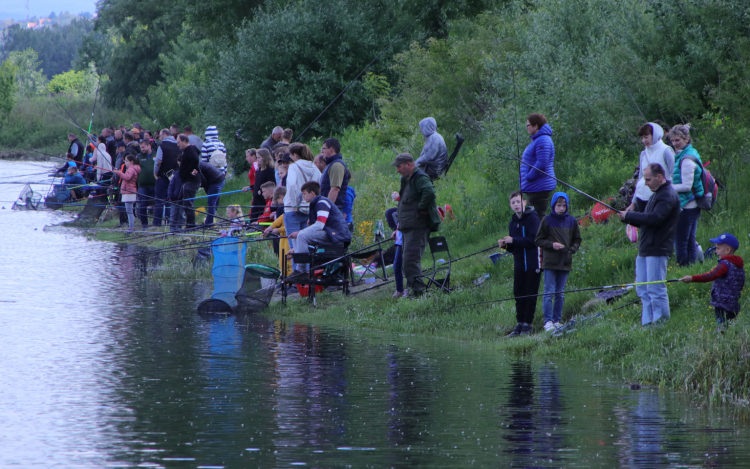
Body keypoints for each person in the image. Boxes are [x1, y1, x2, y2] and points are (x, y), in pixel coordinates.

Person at [619, 163, 681, 326]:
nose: (646, 183)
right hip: (645, 248)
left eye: (648, 179)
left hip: (658, 249)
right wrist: (629, 218)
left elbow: (655, 219)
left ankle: (661, 324)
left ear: (659, 177)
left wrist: (631, 214)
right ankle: (647, 323)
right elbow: (648, 221)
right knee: (643, 289)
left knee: (655, 289)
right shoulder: (655, 194)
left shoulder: (667, 195)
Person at [392, 153, 441, 296]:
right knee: (406, 262)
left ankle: (419, 293)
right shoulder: (407, 180)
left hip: (417, 227)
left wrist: (421, 207)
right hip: (407, 228)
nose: (397, 170)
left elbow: (429, 192)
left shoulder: (420, 178)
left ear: (408, 164)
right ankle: (414, 291)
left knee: (410, 261)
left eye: (399, 166)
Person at [535, 192, 581, 332]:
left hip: (565, 262)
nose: (561, 208)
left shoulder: (572, 221)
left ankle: (557, 320)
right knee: (549, 291)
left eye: (564, 205)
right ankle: (547, 321)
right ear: (553, 205)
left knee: (560, 293)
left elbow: (577, 240)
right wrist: (551, 245)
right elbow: (538, 240)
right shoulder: (547, 220)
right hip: (550, 262)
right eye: (558, 205)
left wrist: (571, 250)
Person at [681, 233, 745, 326]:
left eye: (718, 248)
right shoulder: (739, 266)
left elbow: (711, 275)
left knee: (722, 328)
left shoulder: (724, 264)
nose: (716, 251)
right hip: (734, 303)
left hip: (722, 304)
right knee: (730, 326)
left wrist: (692, 278)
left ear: (727, 250)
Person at [500, 191, 542, 336]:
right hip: (519, 264)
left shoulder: (533, 219)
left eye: (518, 202)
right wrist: (505, 245)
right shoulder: (512, 223)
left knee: (530, 294)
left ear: (524, 202)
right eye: (513, 203)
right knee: (518, 293)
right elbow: (513, 248)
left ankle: (527, 324)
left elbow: (533, 240)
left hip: (532, 263)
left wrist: (514, 240)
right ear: (510, 206)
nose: (516, 205)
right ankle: (519, 323)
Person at [287, 181, 352, 274]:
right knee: (298, 236)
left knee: (301, 235)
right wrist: (295, 250)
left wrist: (300, 232)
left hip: (337, 235)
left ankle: (300, 271)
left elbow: (320, 224)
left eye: (304, 193)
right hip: (331, 233)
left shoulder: (322, 202)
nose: (303, 196)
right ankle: (300, 268)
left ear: (312, 193)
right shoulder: (316, 203)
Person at [284, 143, 322, 271]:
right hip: (309, 210)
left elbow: (291, 184)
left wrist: (295, 203)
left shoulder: (294, 167)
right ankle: (308, 275)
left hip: (293, 210)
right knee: (307, 245)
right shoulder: (315, 168)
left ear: (295, 155)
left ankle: (298, 279)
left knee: (294, 245)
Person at [670, 124, 704, 266]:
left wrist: (667, 187)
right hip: (691, 204)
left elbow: (686, 186)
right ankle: (692, 268)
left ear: (687, 139)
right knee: (689, 240)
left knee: (680, 241)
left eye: (678, 140)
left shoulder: (687, 159)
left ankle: (683, 269)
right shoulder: (687, 154)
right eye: (672, 140)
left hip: (687, 205)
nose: (675, 144)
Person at [626, 123, 675, 213]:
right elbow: (641, 177)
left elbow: (673, 175)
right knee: (644, 225)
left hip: (658, 197)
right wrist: (633, 203)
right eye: (642, 138)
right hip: (641, 196)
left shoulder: (666, 150)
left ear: (654, 135)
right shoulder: (643, 153)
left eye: (646, 137)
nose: (644, 141)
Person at [521, 113, 556, 218]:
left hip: (539, 186)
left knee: (537, 216)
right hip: (536, 185)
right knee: (535, 216)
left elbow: (541, 163)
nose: (526, 127)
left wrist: (529, 177)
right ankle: (539, 234)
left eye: (528, 125)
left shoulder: (542, 140)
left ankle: (541, 235)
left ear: (536, 126)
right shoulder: (538, 139)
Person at [154, 129, 180, 227]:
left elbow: (158, 161)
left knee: (159, 200)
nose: (160, 138)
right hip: (175, 177)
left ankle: (157, 223)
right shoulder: (177, 146)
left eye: (160, 136)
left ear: (164, 135)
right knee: (170, 199)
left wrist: (155, 172)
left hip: (163, 176)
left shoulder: (162, 146)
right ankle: (169, 221)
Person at [176, 134, 201, 230]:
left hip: (191, 181)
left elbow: (195, 159)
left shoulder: (190, 150)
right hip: (187, 181)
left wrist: (189, 171)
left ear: (184, 141)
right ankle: (184, 223)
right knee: (182, 201)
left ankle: (191, 225)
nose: (178, 145)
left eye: (178, 142)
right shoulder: (188, 150)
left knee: (188, 204)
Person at [265, 186, 292, 275]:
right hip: (282, 238)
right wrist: (270, 227)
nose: (278, 204)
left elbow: (290, 226)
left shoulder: (291, 206)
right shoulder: (285, 208)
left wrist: (278, 230)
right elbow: (282, 218)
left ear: (281, 197)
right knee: (282, 259)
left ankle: (290, 280)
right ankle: (284, 278)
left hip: (290, 237)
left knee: (288, 259)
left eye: (277, 201)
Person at [243, 149, 275, 222]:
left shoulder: (269, 169)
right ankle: (251, 229)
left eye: (259, 157)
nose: (257, 159)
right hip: (256, 196)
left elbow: (271, 183)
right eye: (257, 157)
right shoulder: (259, 168)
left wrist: (262, 190)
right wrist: (249, 187)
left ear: (264, 157)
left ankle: (262, 230)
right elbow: (258, 183)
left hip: (263, 197)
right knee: (253, 216)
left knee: (262, 215)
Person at [113, 154, 141, 233]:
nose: (125, 162)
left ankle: (131, 228)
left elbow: (127, 177)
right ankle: (131, 227)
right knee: (130, 211)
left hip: (129, 192)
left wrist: (118, 173)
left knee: (129, 212)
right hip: (129, 192)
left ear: (132, 161)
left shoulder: (131, 169)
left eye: (127, 161)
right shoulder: (131, 168)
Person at [319, 138, 350, 212]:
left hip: (333, 210)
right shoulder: (331, 164)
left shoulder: (336, 165)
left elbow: (335, 189)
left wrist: (326, 209)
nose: (322, 151)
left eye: (324, 148)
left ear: (331, 150)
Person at [197, 160, 226, 226]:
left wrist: (207, 191)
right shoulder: (198, 163)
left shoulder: (196, 166)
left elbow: (203, 181)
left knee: (211, 203)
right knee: (213, 203)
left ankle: (209, 224)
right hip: (219, 178)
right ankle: (212, 219)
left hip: (216, 181)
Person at [137, 139, 156, 230]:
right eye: (141, 147)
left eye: (144, 147)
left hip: (155, 184)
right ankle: (144, 224)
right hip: (143, 185)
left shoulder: (156, 155)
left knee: (158, 203)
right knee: (142, 204)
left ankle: (157, 223)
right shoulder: (139, 157)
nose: (142, 149)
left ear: (149, 146)